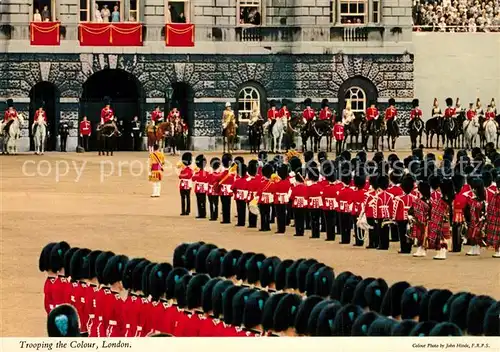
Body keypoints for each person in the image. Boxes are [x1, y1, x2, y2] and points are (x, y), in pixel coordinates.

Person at [428, 180, 454, 260]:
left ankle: (442, 252)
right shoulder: (450, 199)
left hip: (441, 220)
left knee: (442, 238)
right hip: (446, 220)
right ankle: (440, 252)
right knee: (442, 238)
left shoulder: (442, 201)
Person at [393, 175, 416, 254]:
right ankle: (409, 248)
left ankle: (403, 248)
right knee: (410, 232)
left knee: (402, 234)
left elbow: (395, 209)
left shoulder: (399, 198)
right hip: (411, 217)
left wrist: (394, 218)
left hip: (401, 217)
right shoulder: (414, 198)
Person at [464, 180, 486, 257]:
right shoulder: (475, 199)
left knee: (475, 235)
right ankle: (475, 248)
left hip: (478, 220)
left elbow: (482, 211)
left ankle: (475, 248)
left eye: (474, 189)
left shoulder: (481, 201)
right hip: (473, 219)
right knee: (472, 235)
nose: (472, 190)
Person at [218, 154, 235, 224]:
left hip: (223, 190)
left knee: (224, 205)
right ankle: (227, 219)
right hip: (229, 190)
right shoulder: (232, 173)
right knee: (228, 205)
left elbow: (218, 179)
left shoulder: (222, 173)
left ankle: (225, 219)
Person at [274, 164, 291, 234]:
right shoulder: (288, 181)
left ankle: (280, 228)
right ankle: (283, 228)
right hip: (285, 199)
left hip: (278, 199)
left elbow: (273, 190)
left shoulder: (277, 182)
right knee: (283, 213)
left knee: (279, 214)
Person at [232, 163, 249, 227]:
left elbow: (232, 188)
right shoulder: (248, 179)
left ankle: (241, 222)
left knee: (240, 210)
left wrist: (235, 193)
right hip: (247, 196)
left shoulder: (237, 180)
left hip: (239, 196)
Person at [192, 154, 208, 219]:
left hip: (198, 188)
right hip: (204, 188)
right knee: (203, 201)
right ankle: (203, 213)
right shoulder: (206, 173)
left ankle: (200, 213)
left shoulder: (197, 173)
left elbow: (193, 179)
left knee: (199, 201)